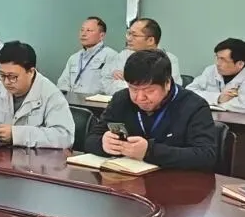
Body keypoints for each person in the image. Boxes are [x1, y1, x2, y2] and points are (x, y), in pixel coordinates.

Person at [84, 49, 218, 171]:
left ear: (167, 83)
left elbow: (206, 156)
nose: (140, 98)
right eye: (133, 89)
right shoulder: (121, 99)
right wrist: (103, 144)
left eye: (149, 91)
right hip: (126, 179)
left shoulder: (194, 106)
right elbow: (90, 139)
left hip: (174, 182)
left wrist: (149, 151)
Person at [0, 41, 74, 148]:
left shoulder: (51, 94)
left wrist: (17, 135)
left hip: (33, 157)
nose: (6, 82)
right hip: (0, 154)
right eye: (2, 75)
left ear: (31, 72)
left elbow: (64, 137)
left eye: (12, 77)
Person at [99, 18, 182, 94]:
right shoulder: (123, 55)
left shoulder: (169, 60)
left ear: (150, 40)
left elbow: (168, 90)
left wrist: (129, 82)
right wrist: (139, 86)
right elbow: (107, 82)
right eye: (129, 33)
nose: (129, 39)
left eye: (134, 35)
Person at [186, 38, 245, 113]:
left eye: (223, 60)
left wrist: (208, 102)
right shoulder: (211, 70)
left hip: (244, 122)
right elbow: (189, 94)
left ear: (240, 64)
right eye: (217, 57)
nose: (217, 63)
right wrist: (218, 98)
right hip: (212, 117)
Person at [57, 16, 117, 94]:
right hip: (71, 100)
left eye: (89, 30)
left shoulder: (111, 56)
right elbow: (62, 83)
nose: (83, 34)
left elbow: (112, 87)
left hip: (96, 101)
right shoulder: (74, 58)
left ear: (101, 35)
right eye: (82, 30)